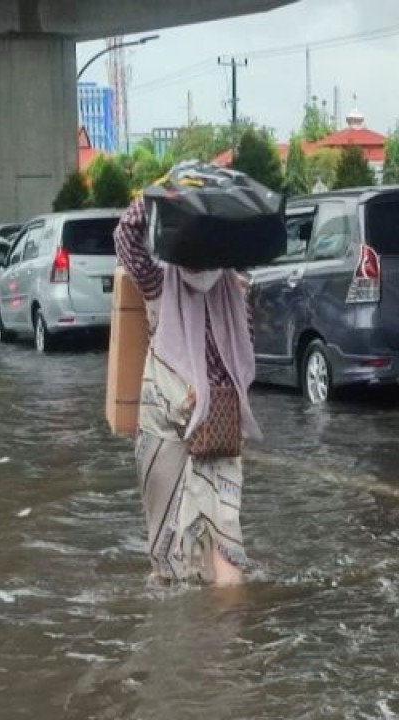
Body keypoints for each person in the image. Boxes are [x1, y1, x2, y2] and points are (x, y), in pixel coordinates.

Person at [113, 197, 261, 588]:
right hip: (221, 421)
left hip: (165, 417)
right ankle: (231, 634)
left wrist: (157, 198)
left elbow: (126, 234)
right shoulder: (235, 288)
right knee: (223, 532)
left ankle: (177, 625)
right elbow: (247, 352)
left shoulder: (160, 280)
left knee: (164, 538)